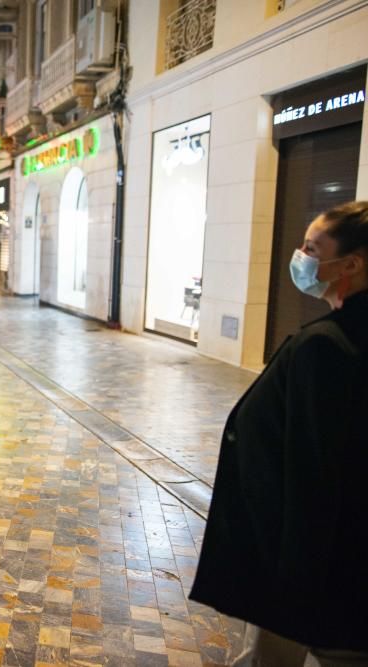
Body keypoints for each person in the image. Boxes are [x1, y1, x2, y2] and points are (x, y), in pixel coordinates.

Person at [191, 201, 368, 666]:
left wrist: (291, 582)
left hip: (307, 564)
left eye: (312, 249)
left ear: (351, 264)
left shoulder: (327, 346)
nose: (301, 258)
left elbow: (314, 471)